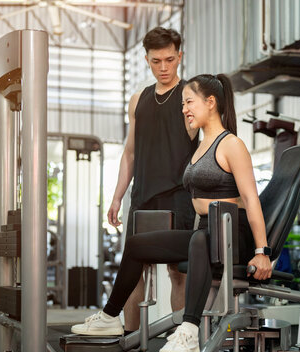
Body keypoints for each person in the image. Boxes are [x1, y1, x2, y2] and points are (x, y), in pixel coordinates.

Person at [71, 74, 273, 352]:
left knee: (199, 240)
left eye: (189, 102)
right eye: (182, 104)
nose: (184, 109)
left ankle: (189, 331)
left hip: (230, 234)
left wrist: (262, 251)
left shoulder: (231, 144)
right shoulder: (201, 145)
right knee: (136, 245)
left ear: (211, 102)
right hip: (206, 232)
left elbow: (251, 199)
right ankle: (109, 316)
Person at [106, 27, 199, 334]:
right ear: (146, 59)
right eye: (156, 60)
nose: (163, 67)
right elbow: (130, 153)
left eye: (170, 60)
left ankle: (180, 340)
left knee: (178, 273)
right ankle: (131, 339)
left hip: (179, 197)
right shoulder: (138, 101)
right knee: (134, 272)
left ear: (179, 57)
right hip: (142, 196)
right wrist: (117, 196)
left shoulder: (190, 98)